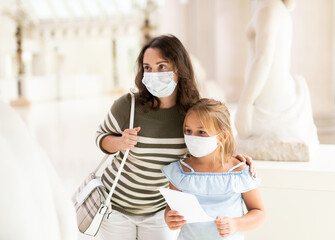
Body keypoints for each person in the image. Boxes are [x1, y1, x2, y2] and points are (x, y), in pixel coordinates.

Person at [95, 34, 255, 240]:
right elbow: (101, 137)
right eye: (147, 68)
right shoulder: (128, 105)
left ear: (179, 69)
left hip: (160, 210)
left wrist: (235, 159)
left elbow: (211, 139)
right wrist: (120, 142)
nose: (153, 74)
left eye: (161, 67)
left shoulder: (191, 112)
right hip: (115, 206)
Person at [162, 98, 266, 240]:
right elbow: (172, 208)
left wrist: (235, 224)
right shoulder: (181, 171)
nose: (192, 137)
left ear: (222, 137)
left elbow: (258, 212)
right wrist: (170, 218)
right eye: (188, 130)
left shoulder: (238, 171)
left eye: (201, 132)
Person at [235, 0, 318, 160]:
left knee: (247, 132)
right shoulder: (272, 8)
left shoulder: (269, 9)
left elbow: (263, 60)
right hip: (273, 91)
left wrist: (244, 104)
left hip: (271, 97)